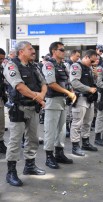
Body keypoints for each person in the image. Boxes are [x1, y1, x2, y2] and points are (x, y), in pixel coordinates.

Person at [3, 41, 47, 186]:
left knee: (33, 139)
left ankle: (30, 166)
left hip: (33, 108)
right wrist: (39, 97)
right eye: (30, 49)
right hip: (19, 108)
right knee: (15, 141)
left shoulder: (33, 66)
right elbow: (20, 87)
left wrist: (40, 96)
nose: (33, 52)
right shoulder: (11, 65)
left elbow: (44, 84)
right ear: (21, 51)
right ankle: (11, 172)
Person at [42, 42, 76, 169]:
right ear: (54, 51)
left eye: (64, 49)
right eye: (61, 50)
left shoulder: (63, 65)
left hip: (62, 100)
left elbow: (67, 81)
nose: (64, 52)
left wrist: (71, 91)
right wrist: (68, 92)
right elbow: (51, 83)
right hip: (53, 100)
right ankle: (49, 156)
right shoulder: (49, 65)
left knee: (61, 130)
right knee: (51, 130)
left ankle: (59, 153)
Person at [69, 50, 98, 156]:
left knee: (88, 122)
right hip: (80, 98)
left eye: (95, 61)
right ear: (86, 57)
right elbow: (75, 82)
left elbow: (92, 82)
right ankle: (75, 146)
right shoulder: (76, 66)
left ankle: (85, 142)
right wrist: (88, 89)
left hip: (89, 99)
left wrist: (95, 75)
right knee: (77, 123)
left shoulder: (89, 68)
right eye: (92, 61)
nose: (93, 63)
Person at [0, 48, 7, 154]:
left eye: (2, 59)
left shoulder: (1, 67)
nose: (1, 61)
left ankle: (0, 142)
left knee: (1, 122)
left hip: (0, 98)